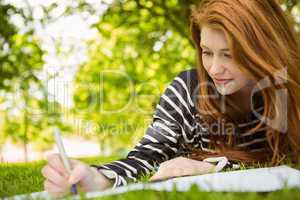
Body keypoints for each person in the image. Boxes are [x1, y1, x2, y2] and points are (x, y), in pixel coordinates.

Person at [41, 0, 300, 197]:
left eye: (229, 55)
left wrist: (213, 168)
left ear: (264, 49)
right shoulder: (186, 91)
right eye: (207, 52)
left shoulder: (289, 91)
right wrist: (98, 178)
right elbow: (148, 156)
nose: (214, 69)